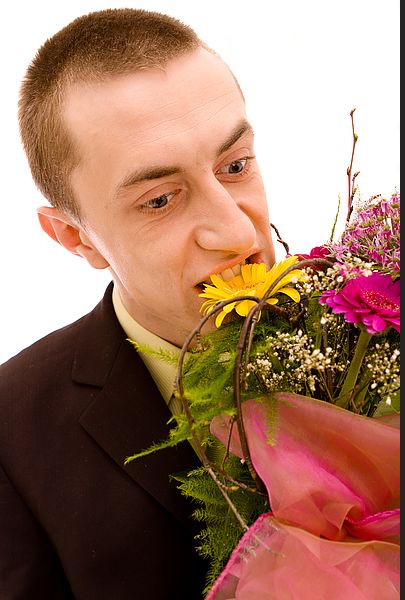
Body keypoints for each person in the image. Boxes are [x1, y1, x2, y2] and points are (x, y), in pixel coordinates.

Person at [0, 8, 275, 599]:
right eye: (160, 200)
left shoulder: (393, 329)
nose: (236, 235)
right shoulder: (9, 436)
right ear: (76, 238)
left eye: (235, 166)